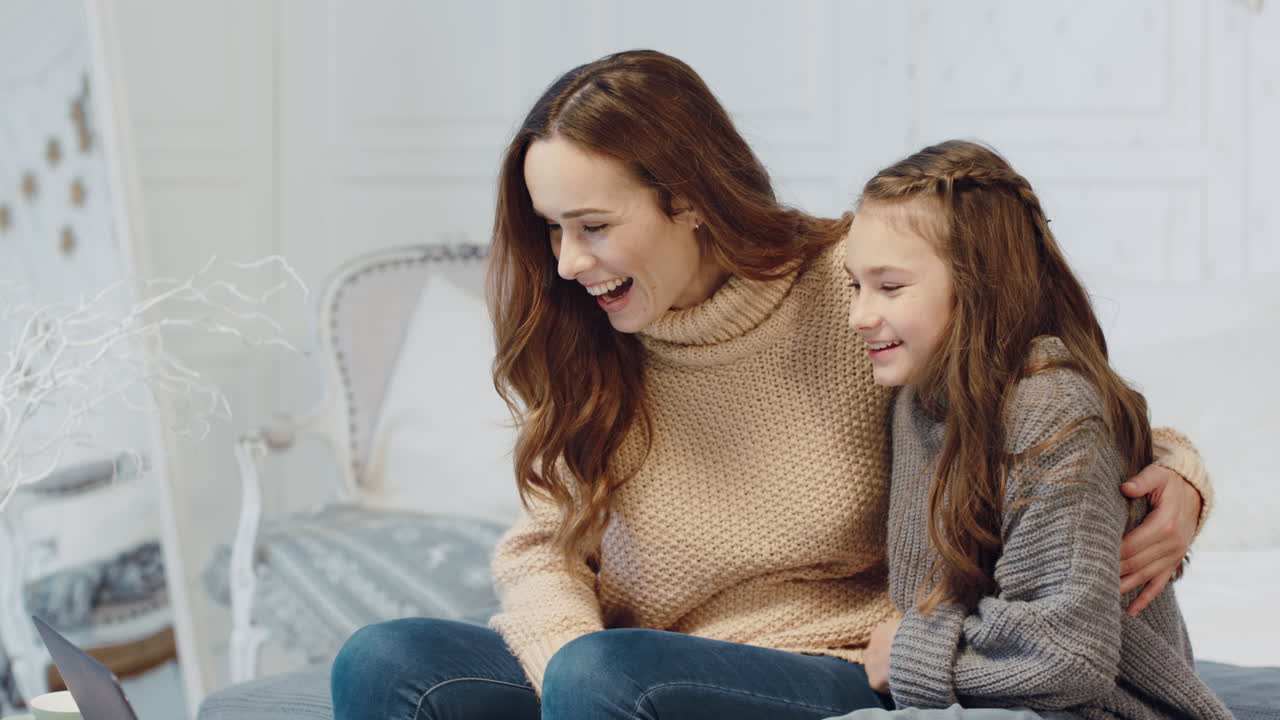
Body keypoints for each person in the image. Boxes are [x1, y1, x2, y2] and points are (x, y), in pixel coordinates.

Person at [330, 51, 1211, 720]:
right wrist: (564, 658)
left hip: (834, 658)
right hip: (634, 660)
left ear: (692, 201)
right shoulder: (590, 339)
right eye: (552, 229)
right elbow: (542, 549)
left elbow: (1026, 382)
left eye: (594, 226)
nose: (567, 263)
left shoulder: (853, 288)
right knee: (382, 659)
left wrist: (1179, 474)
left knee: (607, 676)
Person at [831, 140, 1230, 719]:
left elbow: (1067, 656)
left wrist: (909, 654)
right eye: (854, 285)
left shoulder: (1051, 405)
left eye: (889, 287)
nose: (859, 316)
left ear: (978, 283)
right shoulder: (921, 393)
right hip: (980, 701)